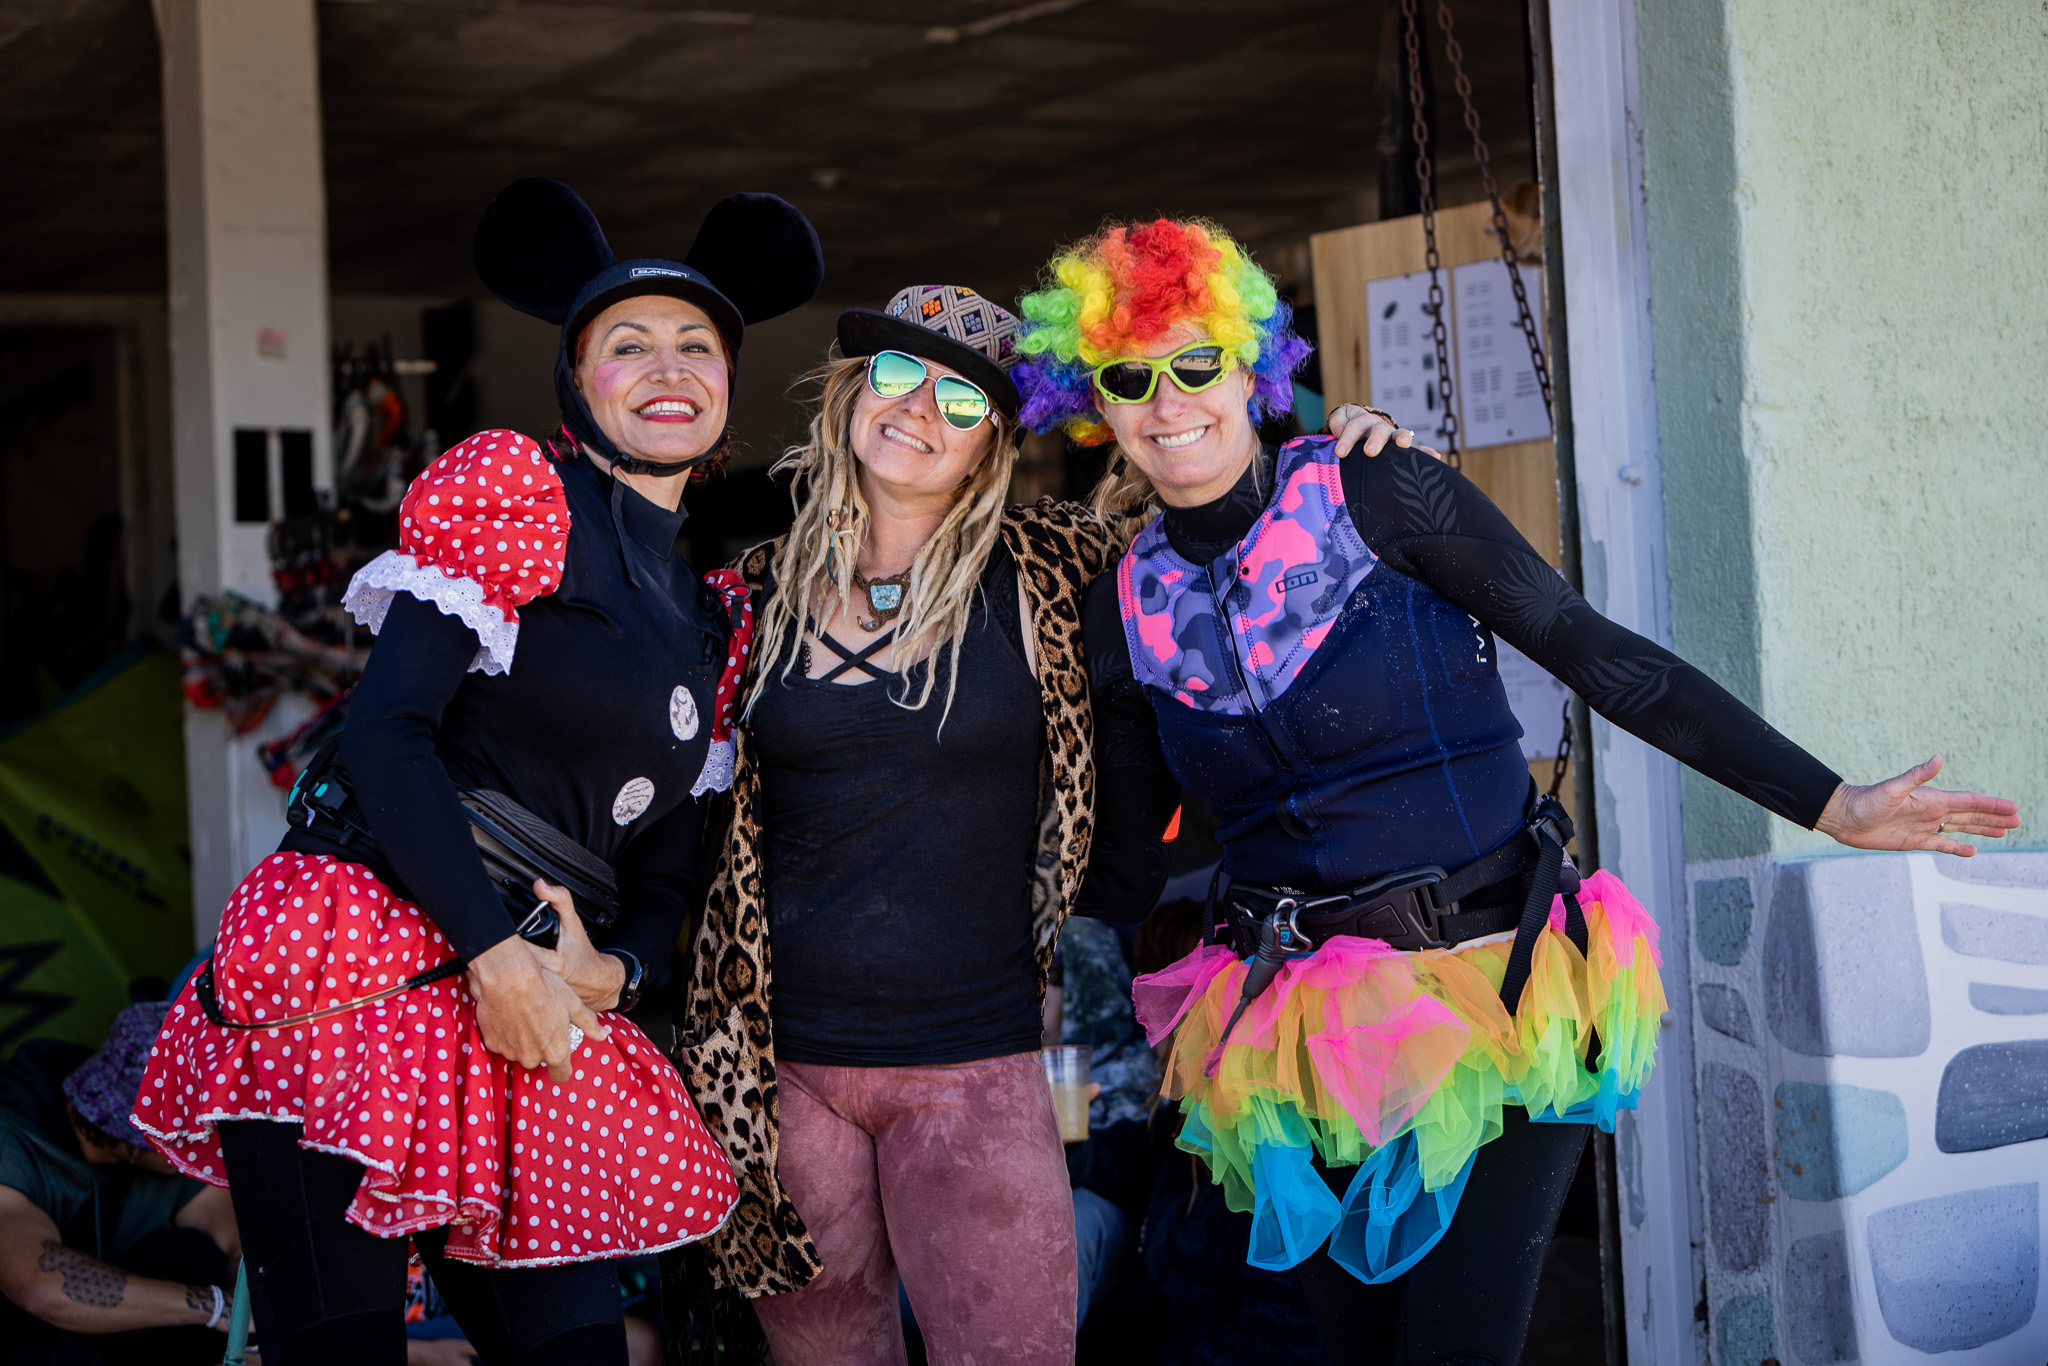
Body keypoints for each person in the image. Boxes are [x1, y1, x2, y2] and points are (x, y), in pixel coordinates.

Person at [1012, 216, 2022, 1365]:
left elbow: (1591, 649)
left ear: (1251, 368)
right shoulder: (1122, 604)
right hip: (1287, 1030)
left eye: (1196, 361)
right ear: (1095, 408)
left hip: (1492, 986)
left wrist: (1830, 802)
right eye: (1128, 377)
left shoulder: (1372, 486)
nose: (1167, 400)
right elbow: (1121, 863)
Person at [132, 178, 825, 1366]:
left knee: (578, 1351)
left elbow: (665, 855)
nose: (667, 367)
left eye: (696, 345)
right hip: (359, 962)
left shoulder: (713, 614)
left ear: (726, 381)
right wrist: (493, 954)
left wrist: (618, 967)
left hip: (533, 1005)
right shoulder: (516, 492)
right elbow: (386, 733)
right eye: (628, 344)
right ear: (576, 379)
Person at [678, 282, 1217, 1366]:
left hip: (975, 1060)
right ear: (850, 393)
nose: (919, 409)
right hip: (781, 1074)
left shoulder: (1055, 569)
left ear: (991, 446)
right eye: (896, 374)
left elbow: (1212, 510)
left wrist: (1350, 454)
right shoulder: (750, 593)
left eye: (961, 401)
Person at [0, 1003, 240, 1366]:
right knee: (39, 1338)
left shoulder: (167, 1163)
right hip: (40, 1337)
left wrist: (252, 1323)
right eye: (191, 1135)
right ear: (137, 1134)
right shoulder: (12, 1136)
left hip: (120, 1338)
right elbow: (40, 1285)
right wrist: (216, 1308)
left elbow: (237, 1237)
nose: (204, 1147)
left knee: (192, 1253)